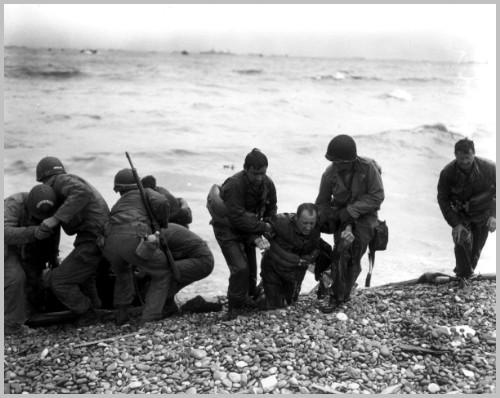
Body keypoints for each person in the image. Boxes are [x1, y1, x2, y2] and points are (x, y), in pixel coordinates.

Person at [35, 156, 110, 323]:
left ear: (44, 178)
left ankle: (88, 313)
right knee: (85, 276)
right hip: (95, 237)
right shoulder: (67, 181)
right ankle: (96, 308)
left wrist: (54, 219)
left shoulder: (60, 181)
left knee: (59, 281)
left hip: (93, 238)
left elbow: (81, 193)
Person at [315, 134, 384, 312]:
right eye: (334, 162)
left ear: (351, 160)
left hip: (365, 217)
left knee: (354, 255)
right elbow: (321, 203)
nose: (337, 165)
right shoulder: (329, 174)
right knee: (340, 252)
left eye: (341, 162)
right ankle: (337, 294)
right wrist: (328, 218)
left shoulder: (368, 169)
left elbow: (377, 197)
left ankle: (342, 293)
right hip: (340, 216)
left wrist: (351, 211)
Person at [207, 148, 277, 319]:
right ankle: (234, 307)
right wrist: (262, 229)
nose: (259, 178)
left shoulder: (267, 184)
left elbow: (271, 208)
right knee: (240, 268)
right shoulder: (234, 185)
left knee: (251, 269)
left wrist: (268, 225)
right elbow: (236, 218)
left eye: (263, 173)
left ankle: (249, 297)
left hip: (250, 228)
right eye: (255, 173)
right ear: (246, 169)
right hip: (227, 229)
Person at [437, 138, 496, 287]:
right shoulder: (447, 173)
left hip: (483, 214)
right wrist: (455, 224)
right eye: (461, 158)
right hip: (461, 216)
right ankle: (463, 276)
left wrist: (494, 216)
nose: (464, 162)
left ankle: (467, 274)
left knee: (476, 251)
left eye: (468, 158)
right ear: (455, 155)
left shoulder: (490, 168)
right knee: (461, 241)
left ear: (474, 154)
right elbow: (443, 200)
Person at [4, 184, 60, 334]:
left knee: (35, 278)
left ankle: (28, 311)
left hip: (23, 247)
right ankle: (11, 326)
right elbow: (4, 233)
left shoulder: (53, 208)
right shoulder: (13, 204)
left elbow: (54, 232)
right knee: (15, 278)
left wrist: (53, 257)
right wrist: (34, 232)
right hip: (5, 247)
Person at [260, 203, 321, 309]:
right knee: (274, 305)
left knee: (290, 302)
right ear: (296, 218)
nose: (308, 227)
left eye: (312, 223)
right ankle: (261, 291)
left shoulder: (316, 231)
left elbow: (318, 248)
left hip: (295, 273)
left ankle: (266, 291)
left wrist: (310, 258)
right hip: (273, 269)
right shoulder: (280, 222)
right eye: (305, 223)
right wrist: (263, 239)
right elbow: (259, 227)